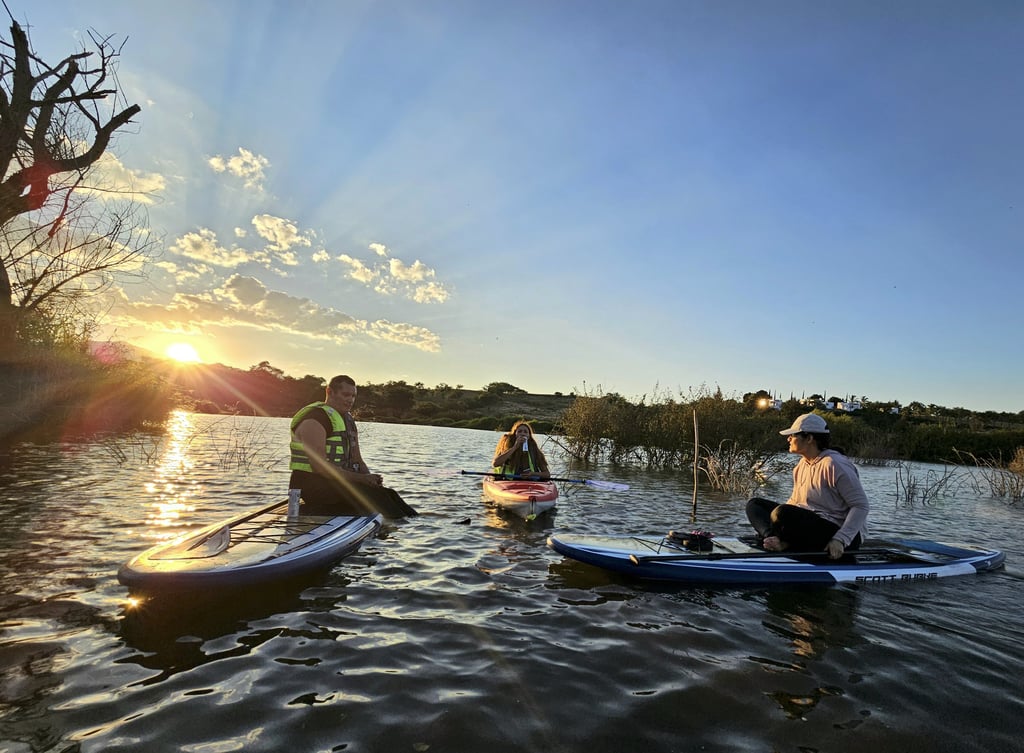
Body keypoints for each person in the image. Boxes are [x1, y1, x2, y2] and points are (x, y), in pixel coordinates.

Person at [746, 413, 869, 559]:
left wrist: (840, 539)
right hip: (809, 526)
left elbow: (861, 506)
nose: (788, 439)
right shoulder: (801, 465)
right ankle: (773, 540)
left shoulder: (834, 464)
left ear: (810, 438)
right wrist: (775, 526)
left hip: (839, 533)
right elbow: (795, 502)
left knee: (782, 512)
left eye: (793, 435)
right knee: (755, 504)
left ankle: (783, 542)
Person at [289, 374, 383, 513]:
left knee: (386, 495)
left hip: (338, 483)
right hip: (312, 484)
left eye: (353, 396)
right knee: (373, 501)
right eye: (346, 395)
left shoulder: (347, 421)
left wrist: (371, 481)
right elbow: (320, 467)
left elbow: (358, 460)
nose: (350, 400)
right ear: (329, 392)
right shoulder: (314, 420)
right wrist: (362, 479)